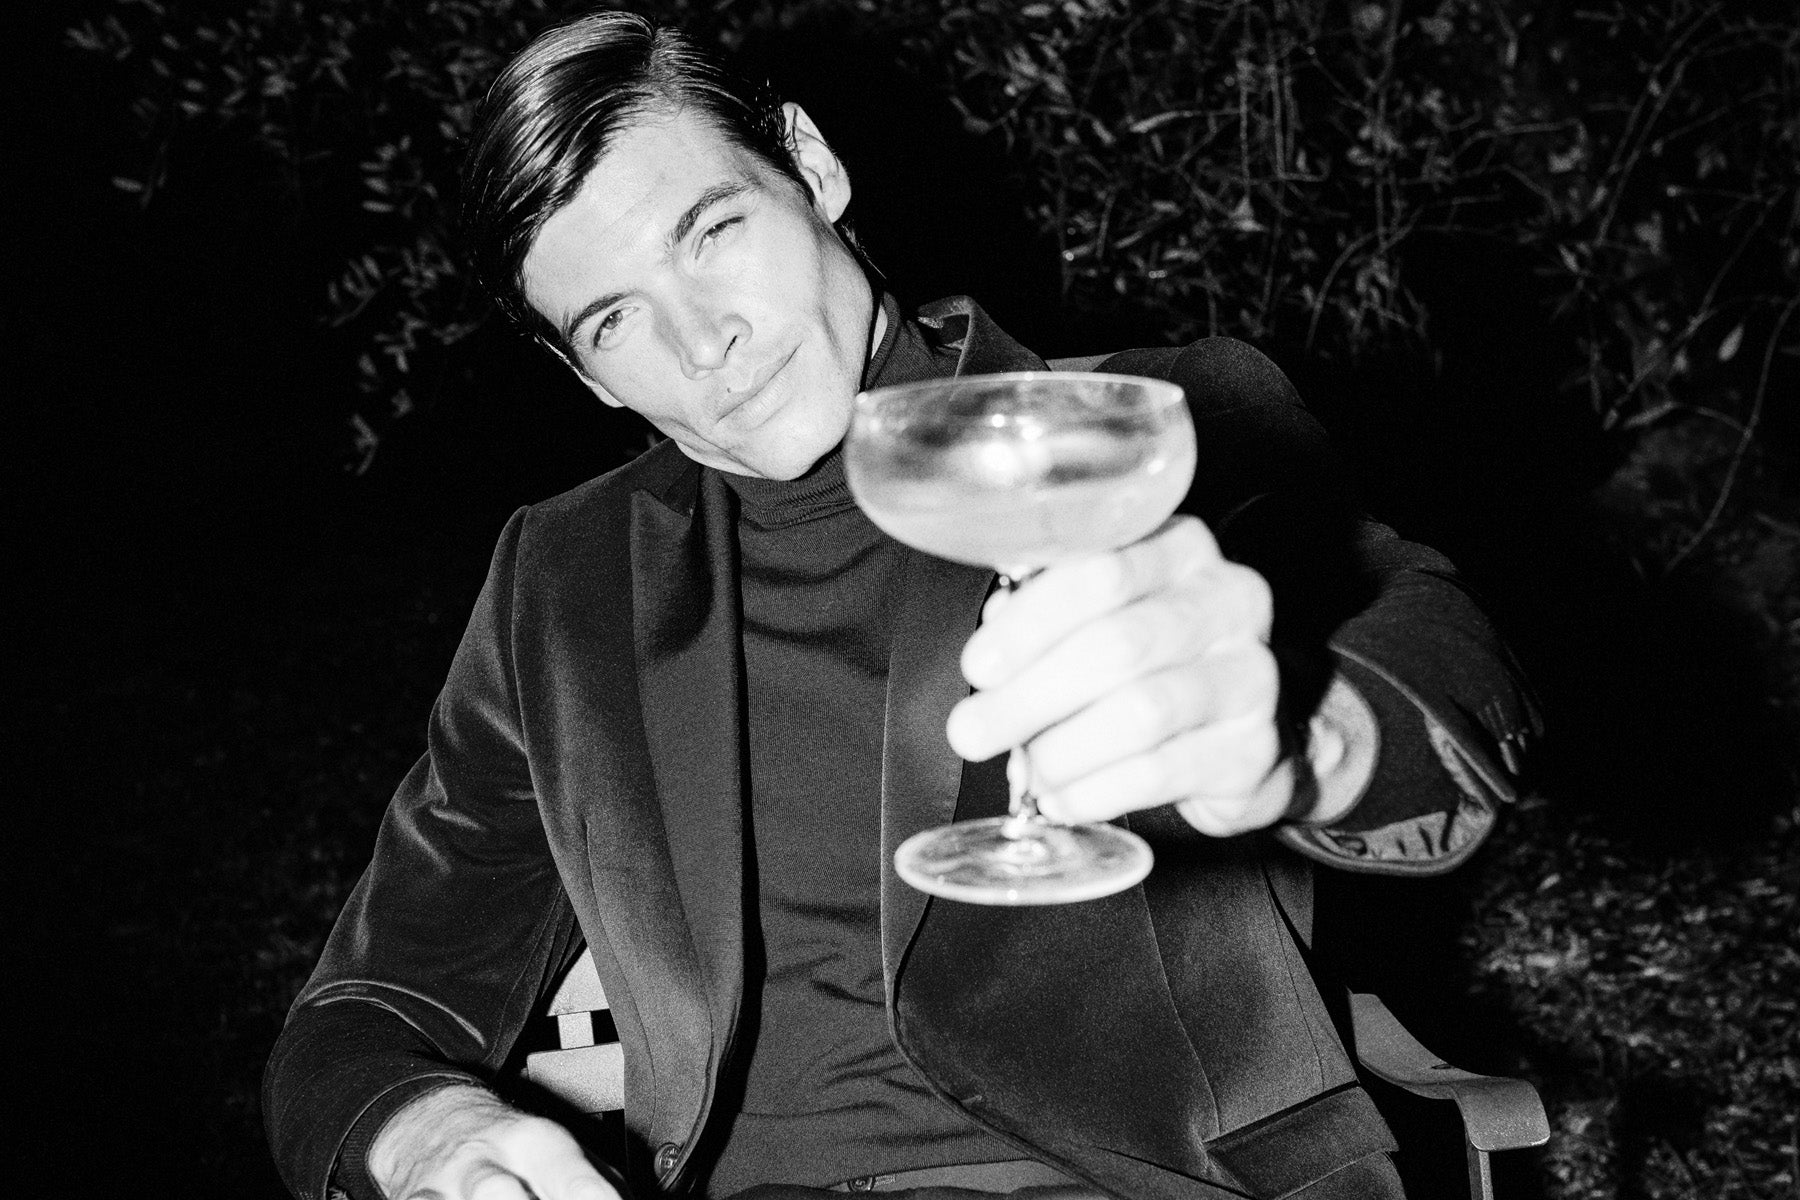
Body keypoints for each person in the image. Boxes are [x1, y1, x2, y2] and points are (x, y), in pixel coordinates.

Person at [264, 10, 1539, 1200]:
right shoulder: (565, 581)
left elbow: (1442, 668)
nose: (702, 340)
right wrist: (432, 1133)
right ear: (581, 374)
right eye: (612, 322)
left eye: (711, 232)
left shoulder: (1137, 428)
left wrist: (1301, 740)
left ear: (811, 166)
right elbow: (366, 1011)